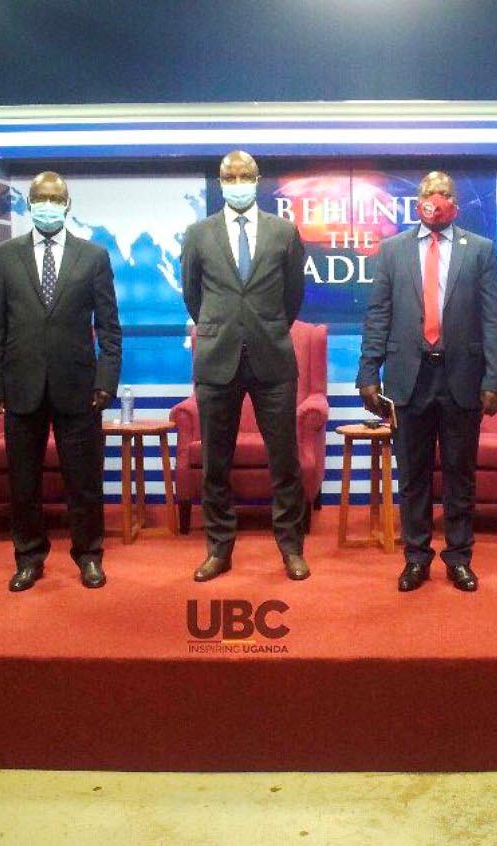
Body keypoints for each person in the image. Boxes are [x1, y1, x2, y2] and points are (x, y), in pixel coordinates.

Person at [358, 171, 497, 593]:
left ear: (455, 202)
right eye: (428, 193)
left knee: (461, 475)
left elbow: (494, 319)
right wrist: (368, 373)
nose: (435, 199)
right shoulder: (391, 250)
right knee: (413, 476)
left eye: (443, 193)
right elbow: (378, 315)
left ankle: (459, 558)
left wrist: (495, 378)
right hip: (409, 378)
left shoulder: (480, 250)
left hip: (463, 377)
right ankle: (416, 558)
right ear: (417, 200)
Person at [0, 171, 122, 592]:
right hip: (20, 387)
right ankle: (28, 558)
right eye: (40, 197)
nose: (47, 204)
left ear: (67, 204)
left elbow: (110, 328)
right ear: (29, 203)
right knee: (23, 483)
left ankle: (89, 555)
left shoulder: (93, 257)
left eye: (55, 198)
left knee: (84, 480)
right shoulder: (5, 257)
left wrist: (106, 380)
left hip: (79, 388)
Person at [180, 150, 310, 581]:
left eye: (245, 175)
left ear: (258, 179)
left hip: (272, 357)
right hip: (217, 359)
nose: (237, 181)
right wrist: (221, 329)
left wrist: (264, 327)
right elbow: (193, 298)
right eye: (229, 175)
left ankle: (290, 547)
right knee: (216, 462)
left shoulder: (284, 232)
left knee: (284, 461)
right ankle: (219, 548)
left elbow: (293, 297)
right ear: (220, 181)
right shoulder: (198, 234)